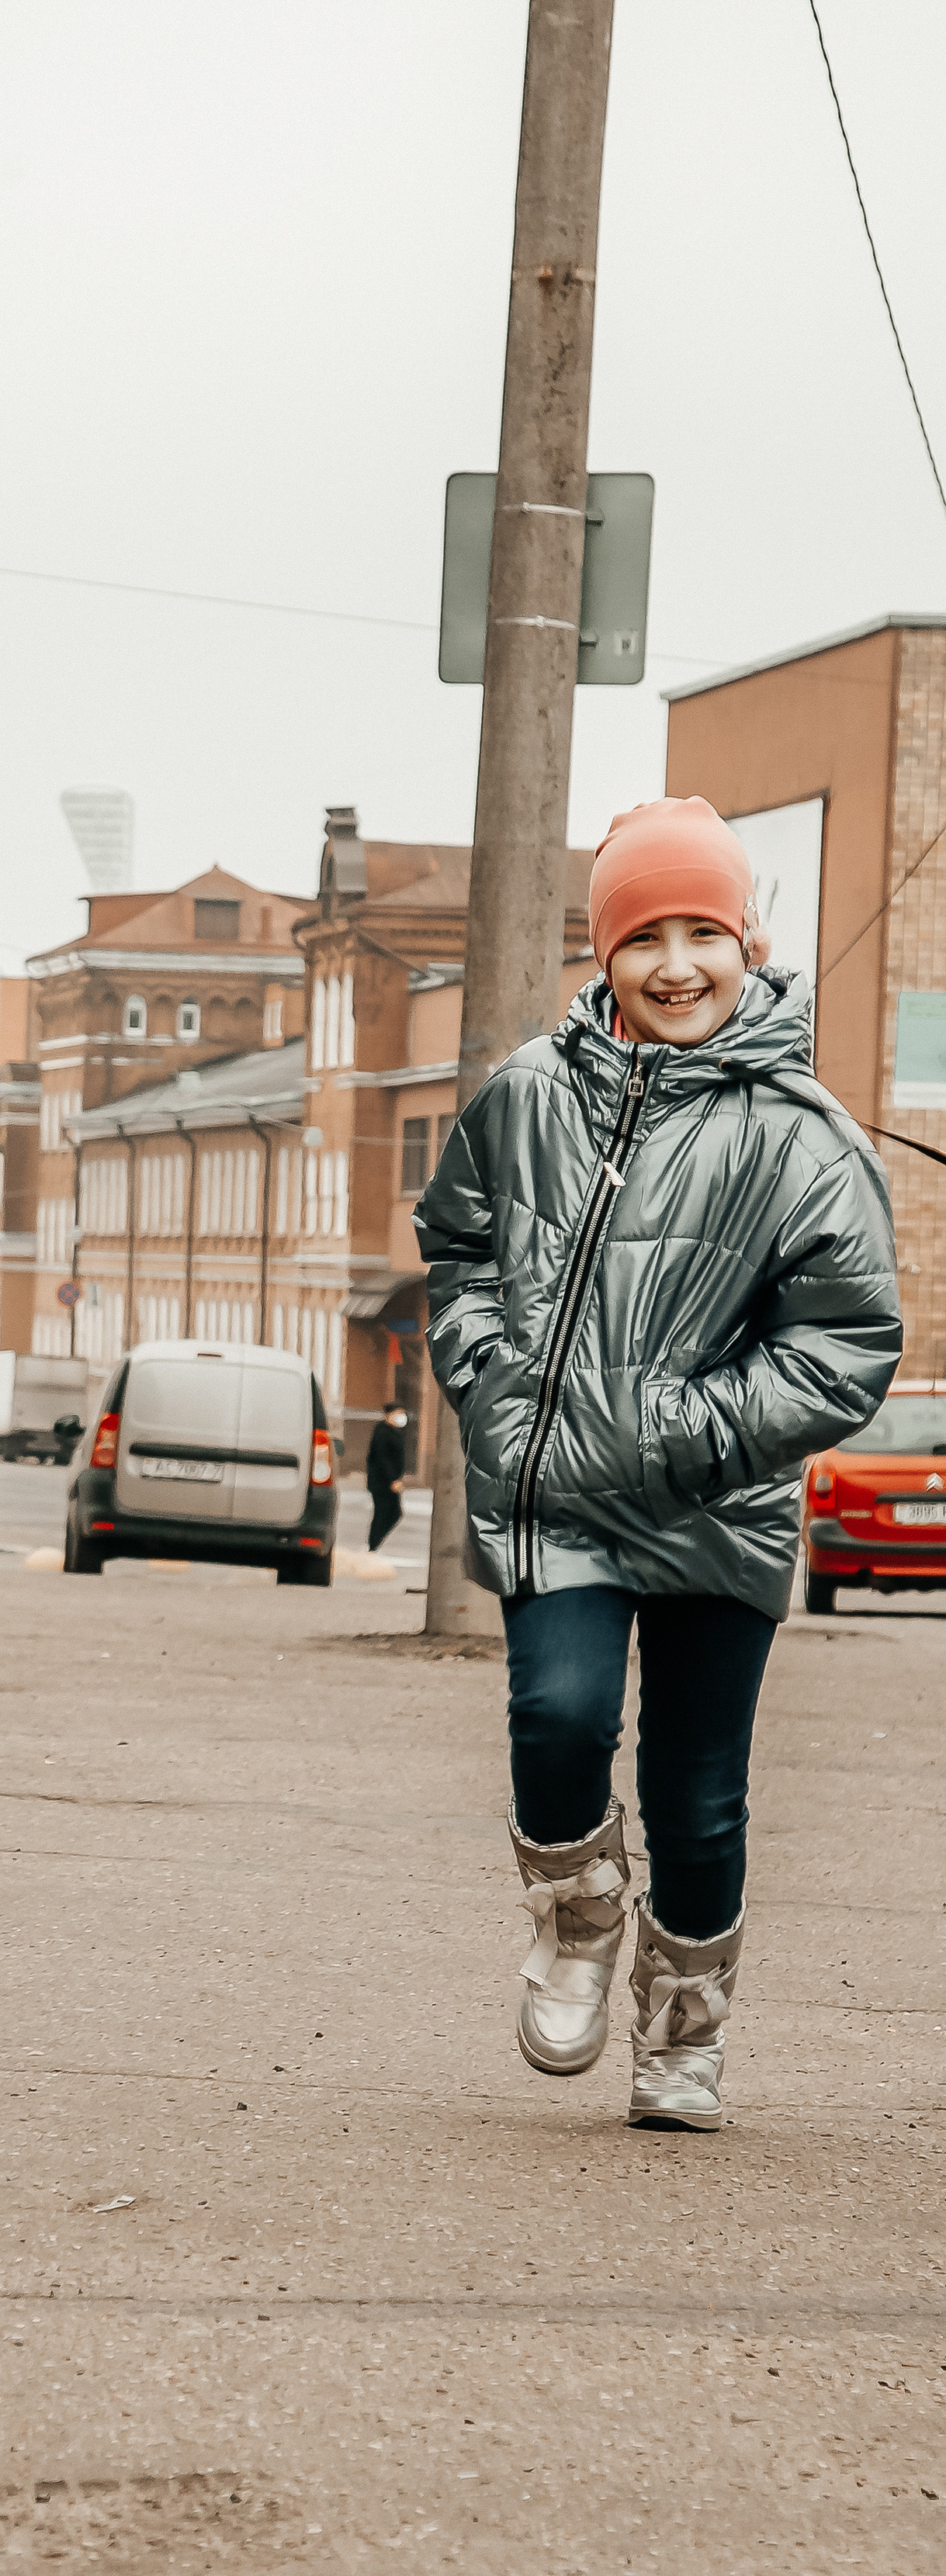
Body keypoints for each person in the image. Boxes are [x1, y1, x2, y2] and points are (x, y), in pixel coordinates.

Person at [415, 797, 899, 2131]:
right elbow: (456, 1245)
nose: (676, 963)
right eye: (645, 936)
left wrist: (684, 1432)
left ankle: (685, 2023)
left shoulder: (805, 1139)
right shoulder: (525, 1096)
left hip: (719, 1509)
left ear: (748, 943)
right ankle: (578, 1914)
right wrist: (494, 1378)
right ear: (606, 954)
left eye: (705, 932)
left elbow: (848, 1344)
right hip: (555, 1491)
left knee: (698, 1796)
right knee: (558, 1717)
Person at [366, 1401, 407, 1551]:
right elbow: (383, 1458)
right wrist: (393, 1480)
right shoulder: (382, 1432)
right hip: (382, 1482)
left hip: (391, 1481)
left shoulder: (394, 1432)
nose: (402, 1416)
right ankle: (373, 1546)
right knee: (384, 1513)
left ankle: (375, 1545)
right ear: (388, 1415)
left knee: (394, 1513)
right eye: (398, 1413)